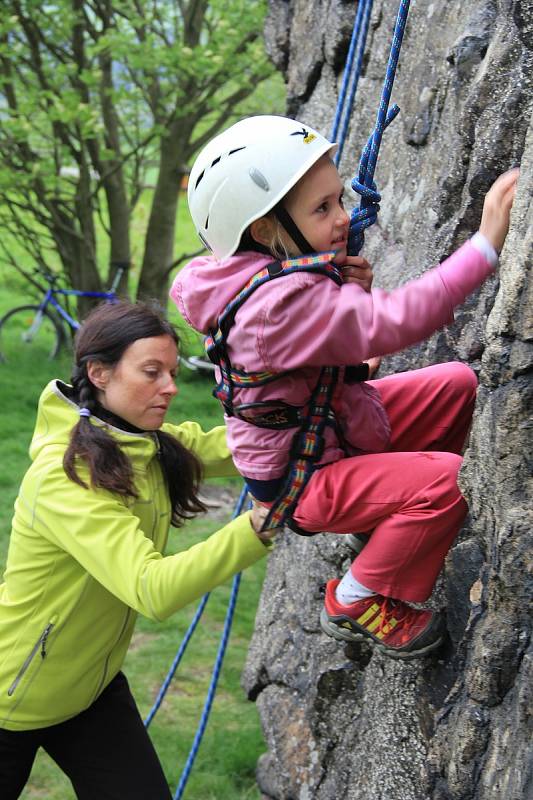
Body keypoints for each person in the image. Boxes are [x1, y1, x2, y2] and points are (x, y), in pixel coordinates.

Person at [171, 114, 519, 661]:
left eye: (338, 200)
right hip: (309, 476)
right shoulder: (274, 306)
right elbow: (395, 322)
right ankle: (357, 597)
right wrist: (487, 243)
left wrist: (348, 297)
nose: (343, 217)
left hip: (332, 426)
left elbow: (343, 350)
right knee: (446, 482)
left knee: (456, 385)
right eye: (323, 208)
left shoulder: (263, 272)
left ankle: (395, 524)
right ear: (264, 229)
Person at [0, 301, 274, 800]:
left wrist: (324, 408)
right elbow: (152, 588)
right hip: (11, 701)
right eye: (152, 372)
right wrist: (257, 526)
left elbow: (228, 446)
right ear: (99, 373)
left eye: (171, 371)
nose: (170, 386)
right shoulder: (66, 480)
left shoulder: (144, 442)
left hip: (90, 689)